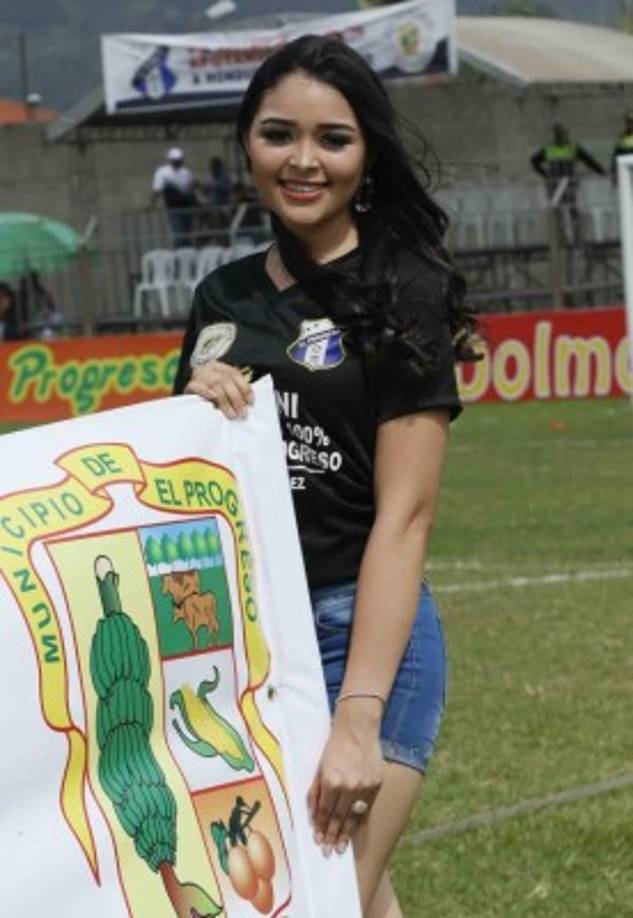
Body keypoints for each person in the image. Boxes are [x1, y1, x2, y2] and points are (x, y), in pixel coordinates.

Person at [173, 35, 478, 916]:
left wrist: (358, 714)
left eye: (332, 139)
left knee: (307, 899)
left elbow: (406, 520)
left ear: (366, 153)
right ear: (246, 143)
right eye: (278, 134)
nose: (303, 160)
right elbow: (189, 486)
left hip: (361, 640)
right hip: (244, 648)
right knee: (350, 899)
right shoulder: (218, 297)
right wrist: (194, 402)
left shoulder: (402, 288)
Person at [530, 123, 605, 244]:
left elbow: (589, 160)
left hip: (568, 184)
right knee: (559, 211)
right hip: (556, 185)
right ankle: (561, 237)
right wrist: (545, 174)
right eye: (558, 134)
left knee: (571, 209)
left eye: (561, 133)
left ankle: (575, 236)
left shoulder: (571, 148)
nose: (560, 136)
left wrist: (601, 172)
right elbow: (534, 161)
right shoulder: (550, 148)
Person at [150, 147, 198, 248]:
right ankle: (179, 250)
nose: (177, 162)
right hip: (174, 208)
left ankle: (186, 250)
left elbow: (192, 186)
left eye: (179, 160)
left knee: (187, 232)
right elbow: (157, 189)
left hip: (186, 207)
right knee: (179, 233)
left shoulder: (186, 172)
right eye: (175, 160)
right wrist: (152, 205)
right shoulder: (163, 172)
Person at [611, 111, 633, 182]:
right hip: (625, 174)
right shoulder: (621, 137)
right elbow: (616, 154)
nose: (630, 125)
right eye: (629, 122)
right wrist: (614, 171)